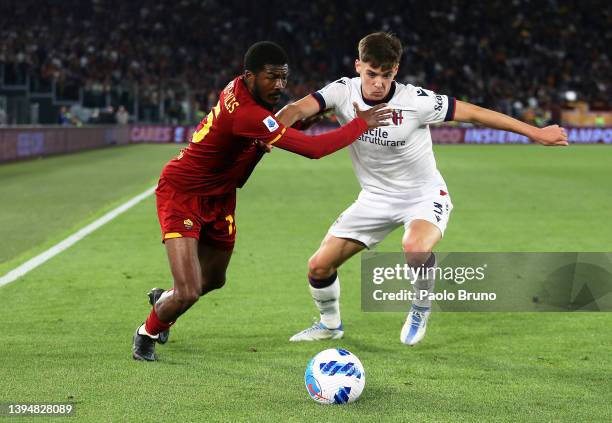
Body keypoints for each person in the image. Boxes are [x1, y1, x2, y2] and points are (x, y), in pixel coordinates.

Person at [277, 32, 568, 346]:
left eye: (386, 76)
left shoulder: (415, 101)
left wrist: (535, 133)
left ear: (396, 71)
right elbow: (296, 110)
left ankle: (420, 306)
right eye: (371, 74)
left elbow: (476, 114)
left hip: (422, 195)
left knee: (415, 247)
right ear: (358, 66)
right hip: (375, 198)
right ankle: (330, 325)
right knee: (319, 266)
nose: (378, 83)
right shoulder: (341, 92)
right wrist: (270, 129)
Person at [131, 41, 392, 361]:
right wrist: (361, 123)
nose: (279, 86)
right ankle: (147, 332)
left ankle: (164, 300)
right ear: (250, 75)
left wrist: (268, 138)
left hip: (221, 196)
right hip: (183, 193)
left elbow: (260, 131)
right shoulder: (247, 112)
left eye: (283, 78)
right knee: (188, 291)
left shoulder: (243, 90)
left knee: (213, 279)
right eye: (272, 77)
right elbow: (314, 150)